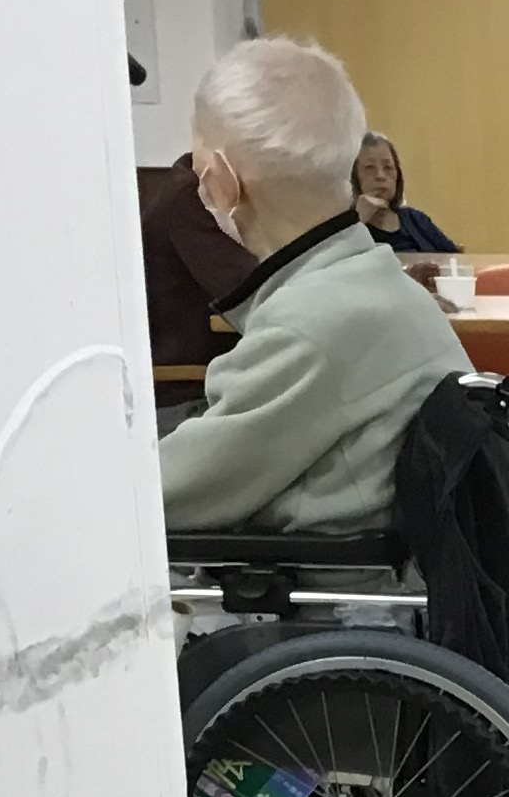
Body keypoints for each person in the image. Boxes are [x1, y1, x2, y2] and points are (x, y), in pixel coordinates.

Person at [157, 40, 470, 531]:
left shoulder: (304, 329)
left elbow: (162, 496)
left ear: (221, 182)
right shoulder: (382, 284)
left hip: (315, 575)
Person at [140, 153, 254, 408]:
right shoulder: (192, 196)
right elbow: (250, 289)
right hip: (190, 392)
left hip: (222, 378)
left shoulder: (203, 187)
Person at [350, 131, 458, 254]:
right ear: (355, 176)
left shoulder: (415, 219)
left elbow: (455, 258)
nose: (380, 176)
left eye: (388, 167)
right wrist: (359, 219)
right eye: (369, 167)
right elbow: (339, 260)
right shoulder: (346, 227)